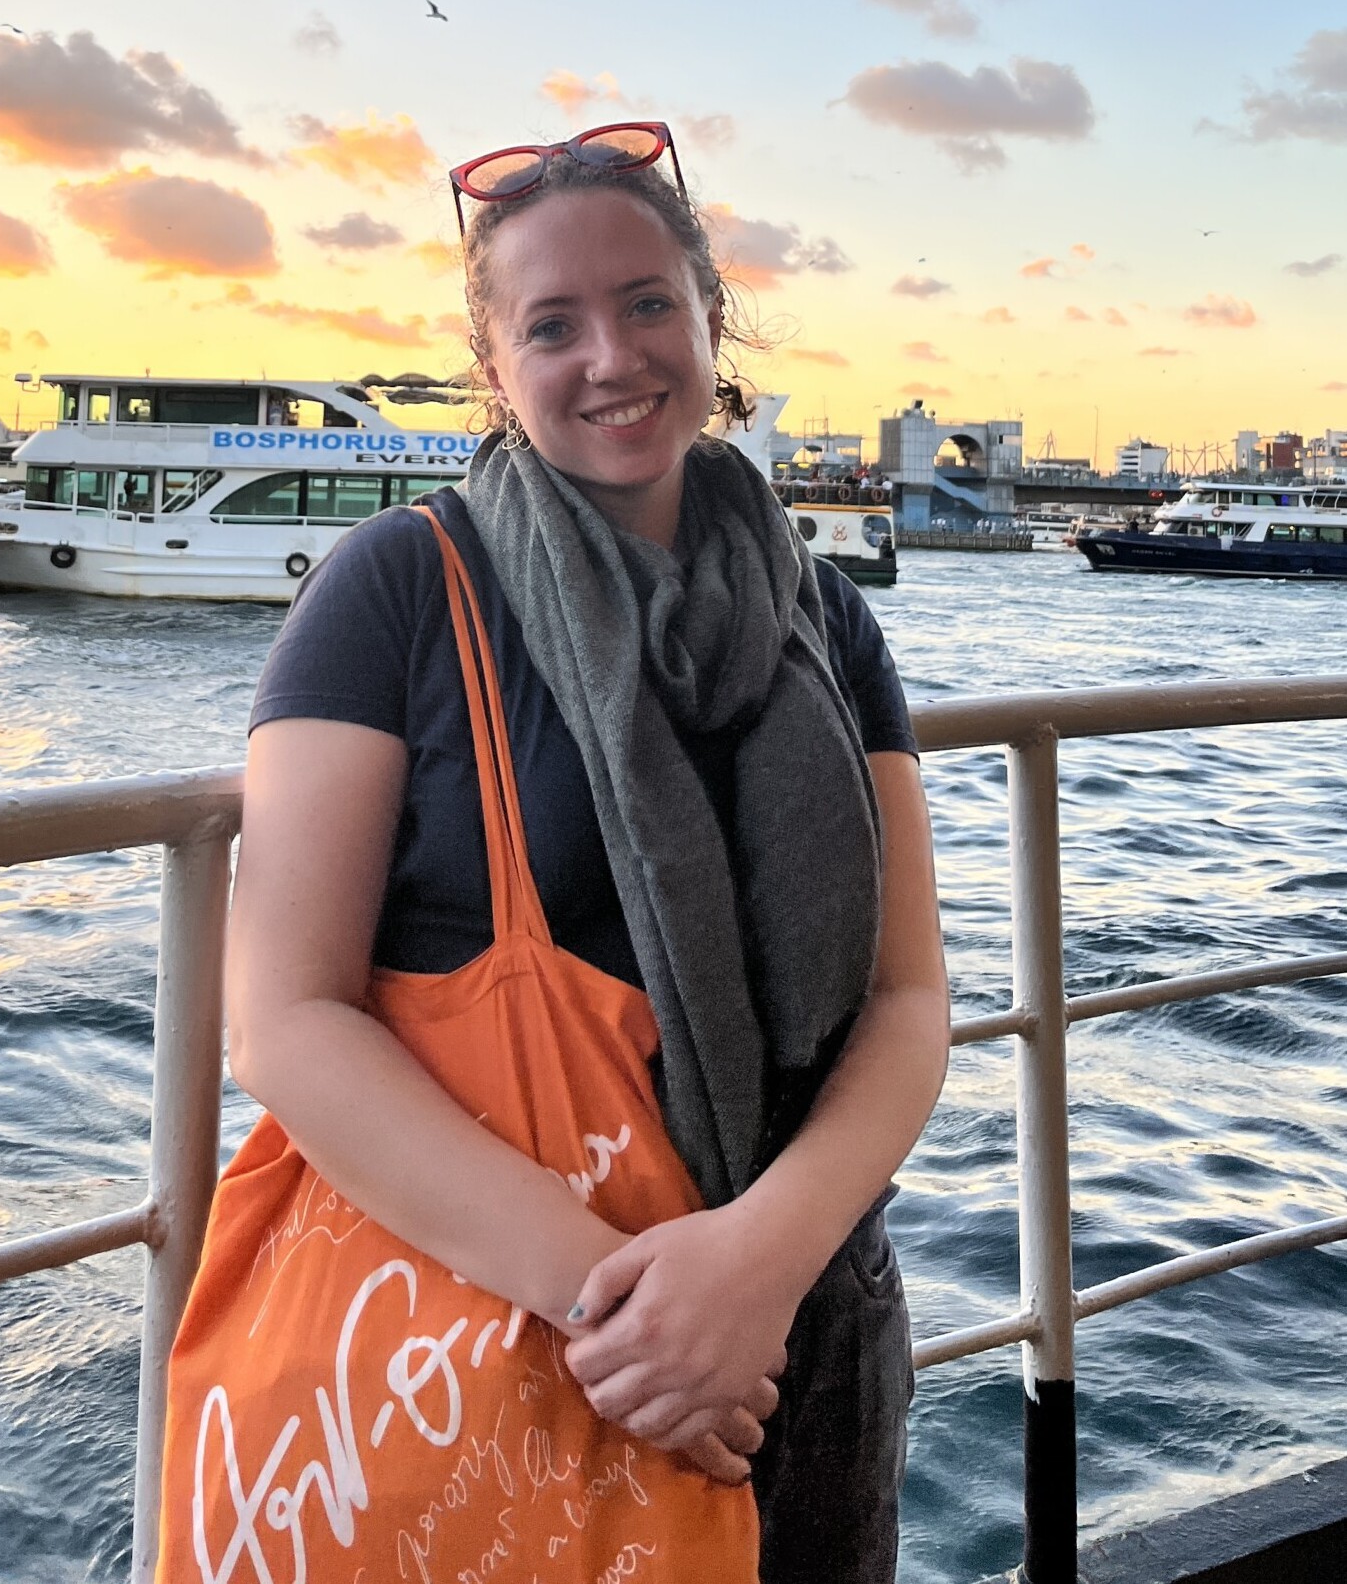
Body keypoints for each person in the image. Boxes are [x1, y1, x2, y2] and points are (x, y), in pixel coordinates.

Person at [185, 121, 949, 1582]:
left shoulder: (826, 619)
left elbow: (909, 1000)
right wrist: (634, 1315)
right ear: (494, 363)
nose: (613, 355)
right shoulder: (396, 591)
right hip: (517, 1321)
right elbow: (283, 1014)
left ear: (713, 321)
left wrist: (757, 1267)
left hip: (808, 1328)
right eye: (553, 323)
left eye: (649, 301)